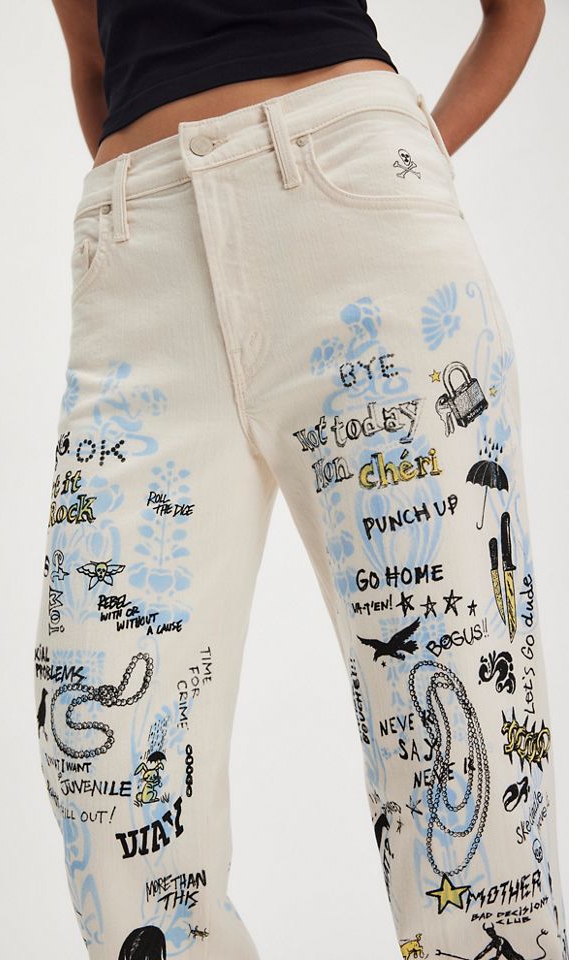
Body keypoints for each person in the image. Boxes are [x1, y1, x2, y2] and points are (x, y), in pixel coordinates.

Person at [34, 2, 568, 959]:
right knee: (104, 764)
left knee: (459, 736)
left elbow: (514, 12)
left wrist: (407, 160)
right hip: (139, 251)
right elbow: (94, 59)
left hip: (352, 203)